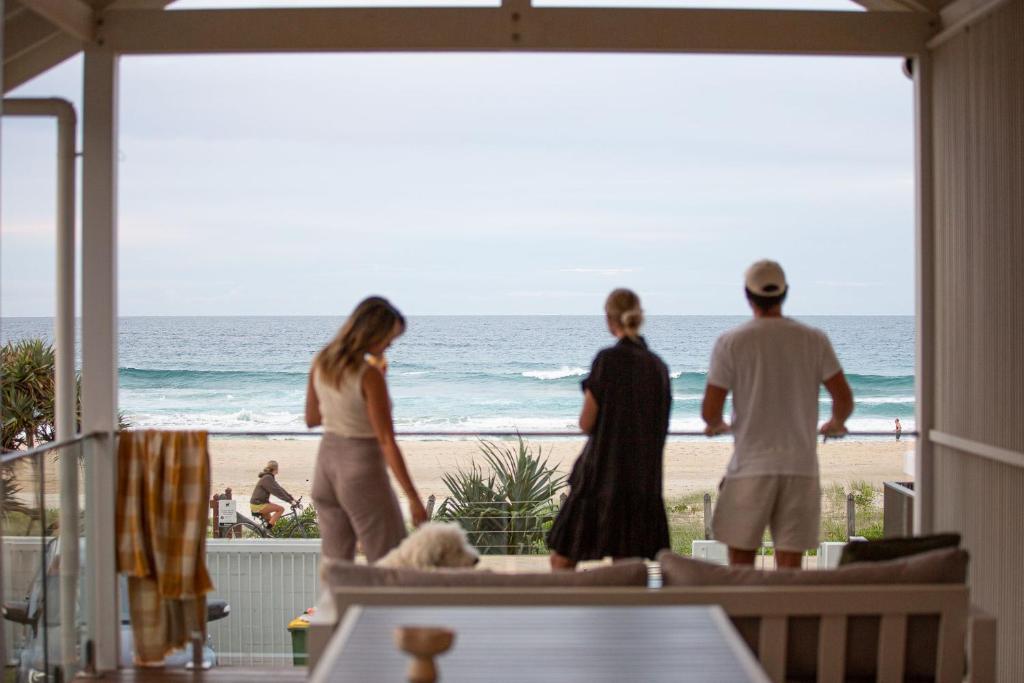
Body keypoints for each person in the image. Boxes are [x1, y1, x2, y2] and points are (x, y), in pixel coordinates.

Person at [701, 260, 854, 569]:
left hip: (750, 467)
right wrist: (836, 423)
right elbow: (843, 398)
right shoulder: (813, 339)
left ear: (748, 295)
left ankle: (746, 617)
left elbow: (710, 411)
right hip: (800, 466)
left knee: (741, 565)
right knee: (789, 568)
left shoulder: (731, 342)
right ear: (785, 294)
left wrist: (718, 425)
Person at [547, 289, 672, 570]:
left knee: (562, 559)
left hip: (601, 477)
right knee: (626, 568)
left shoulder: (607, 361)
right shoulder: (658, 367)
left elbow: (586, 423)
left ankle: (567, 613)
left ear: (609, 318)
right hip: (642, 481)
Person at [305, 296, 427, 563]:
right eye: (388, 338)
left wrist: (345, 408)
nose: (390, 344)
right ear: (373, 333)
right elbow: (385, 440)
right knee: (391, 562)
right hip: (360, 470)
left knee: (336, 565)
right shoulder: (368, 374)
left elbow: (312, 418)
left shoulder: (322, 361)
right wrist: (413, 497)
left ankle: (337, 606)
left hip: (326, 467)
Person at [250, 461, 295, 528]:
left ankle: (266, 534)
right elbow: (277, 492)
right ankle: (267, 529)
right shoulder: (267, 478)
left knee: (272, 523)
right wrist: (289, 501)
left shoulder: (269, 477)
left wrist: (292, 499)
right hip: (258, 505)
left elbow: (280, 489)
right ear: (275, 469)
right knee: (281, 509)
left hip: (259, 503)